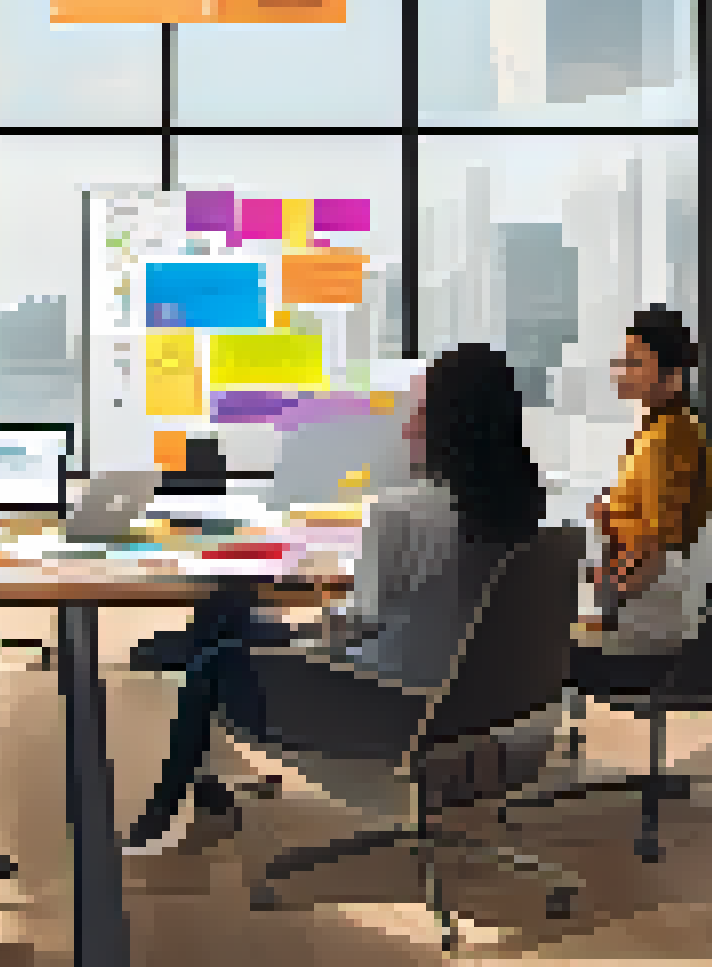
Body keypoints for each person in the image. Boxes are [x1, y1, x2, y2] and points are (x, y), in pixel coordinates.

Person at [122, 342, 550, 852]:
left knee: (211, 660)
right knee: (228, 612)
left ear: (447, 424)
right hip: (482, 701)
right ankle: (202, 774)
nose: (407, 427)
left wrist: (305, 627)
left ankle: (162, 814)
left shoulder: (402, 513)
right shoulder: (526, 519)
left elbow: (358, 624)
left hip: (385, 706)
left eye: (418, 412)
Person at [579, 305, 712, 692]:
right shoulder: (679, 430)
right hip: (657, 603)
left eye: (634, 363)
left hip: (646, 617)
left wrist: (605, 595)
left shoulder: (663, 443)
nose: (620, 371)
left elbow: (655, 546)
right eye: (621, 360)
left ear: (672, 376)